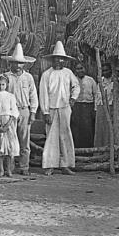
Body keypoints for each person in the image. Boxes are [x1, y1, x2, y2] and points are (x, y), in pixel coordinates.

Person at [39, 41, 80, 176]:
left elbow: (76, 86)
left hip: (65, 108)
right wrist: (45, 112)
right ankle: (50, 165)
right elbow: (43, 94)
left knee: (65, 135)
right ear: (52, 60)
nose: (58, 61)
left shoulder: (68, 73)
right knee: (51, 137)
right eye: (56, 58)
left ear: (64, 61)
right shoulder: (47, 74)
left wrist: (73, 98)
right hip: (51, 108)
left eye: (61, 59)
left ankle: (65, 165)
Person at [3, 42, 38, 176]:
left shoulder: (28, 77)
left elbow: (33, 95)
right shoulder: (6, 77)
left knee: (24, 140)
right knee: (10, 139)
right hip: (10, 111)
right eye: (15, 63)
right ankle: (9, 168)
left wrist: (33, 112)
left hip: (24, 110)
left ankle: (24, 167)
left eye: (20, 63)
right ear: (11, 63)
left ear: (24, 64)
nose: (17, 66)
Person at [0, 73, 20, 177]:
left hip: (8, 122)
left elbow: (15, 112)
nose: (1, 86)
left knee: (10, 147)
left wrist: (8, 124)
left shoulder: (10, 96)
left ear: (6, 85)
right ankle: (1, 170)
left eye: (3, 84)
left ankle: (9, 170)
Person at [70, 62, 99, 148]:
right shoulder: (72, 80)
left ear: (85, 69)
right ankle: (76, 150)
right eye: (78, 69)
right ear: (75, 70)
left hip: (88, 107)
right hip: (76, 107)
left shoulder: (91, 80)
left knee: (88, 129)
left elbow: (96, 95)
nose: (80, 70)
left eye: (81, 68)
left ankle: (88, 150)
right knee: (75, 128)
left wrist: (95, 108)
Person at [94, 64, 114, 148]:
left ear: (111, 70)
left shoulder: (114, 82)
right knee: (99, 130)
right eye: (104, 71)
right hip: (100, 107)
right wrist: (95, 108)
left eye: (107, 70)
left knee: (108, 130)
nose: (105, 72)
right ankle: (98, 150)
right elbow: (96, 96)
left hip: (110, 107)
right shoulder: (100, 81)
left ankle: (108, 149)